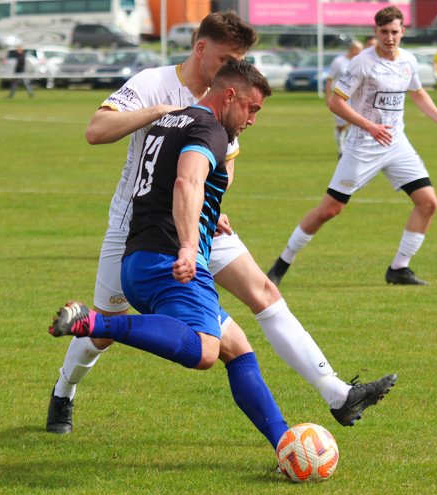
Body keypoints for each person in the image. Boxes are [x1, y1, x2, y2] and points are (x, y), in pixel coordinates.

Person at [46, 11, 395, 436]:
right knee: (103, 335)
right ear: (201, 48)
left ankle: (336, 393)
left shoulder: (230, 99)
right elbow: (96, 130)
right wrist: (158, 111)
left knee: (263, 292)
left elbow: (218, 170)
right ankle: (64, 389)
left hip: (198, 220)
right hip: (136, 227)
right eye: (227, 56)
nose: (234, 65)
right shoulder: (154, 83)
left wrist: (210, 204)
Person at [50, 60, 293, 452]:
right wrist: (187, 245)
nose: (252, 120)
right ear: (229, 95)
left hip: (137, 259)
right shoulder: (210, 129)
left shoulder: (172, 121)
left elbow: (167, 185)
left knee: (237, 347)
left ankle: (285, 442)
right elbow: (187, 181)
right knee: (205, 351)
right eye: (252, 108)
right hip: (169, 261)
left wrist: (207, 212)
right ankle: (97, 323)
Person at [267, 6, 437, 287]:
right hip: (363, 146)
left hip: (397, 144)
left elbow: (418, 93)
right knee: (329, 210)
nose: (389, 37)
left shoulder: (408, 61)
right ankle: (282, 263)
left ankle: (399, 268)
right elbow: (336, 102)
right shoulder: (361, 62)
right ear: (375, 32)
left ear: (402, 32)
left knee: (428, 202)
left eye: (394, 31)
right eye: (384, 32)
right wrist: (369, 126)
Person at [325, 40, 363, 157]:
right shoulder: (339, 62)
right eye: (360, 51)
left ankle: (348, 149)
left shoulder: (359, 62)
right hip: (340, 98)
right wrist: (328, 97)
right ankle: (340, 148)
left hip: (354, 98)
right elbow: (329, 79)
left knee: (353, 123)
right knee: (341, 125)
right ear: (354, 50)